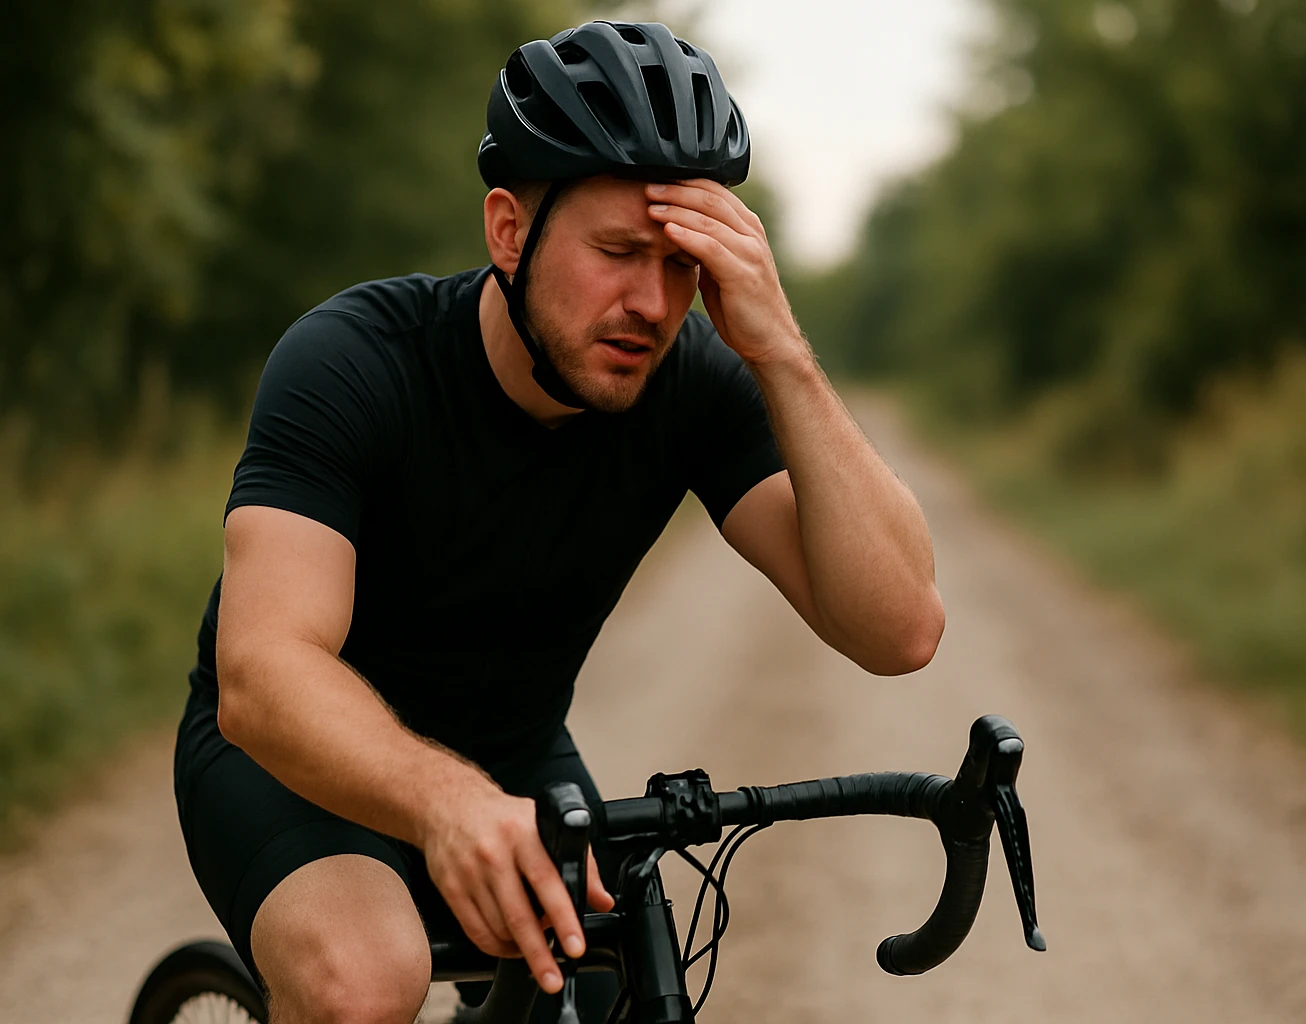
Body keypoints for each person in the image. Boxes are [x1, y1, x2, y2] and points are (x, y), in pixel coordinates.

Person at [172, 19, 945, 1024]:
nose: (651, 302)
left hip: (515, 762)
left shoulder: (695, 382)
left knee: (608, 981)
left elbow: (898, 628)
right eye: (619, 251)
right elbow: (263, 674)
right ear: (508, 231)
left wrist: (781, 352)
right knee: (365, 980)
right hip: (293, 766)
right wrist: (446, 802)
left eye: (683, 266)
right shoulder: (352, 362)